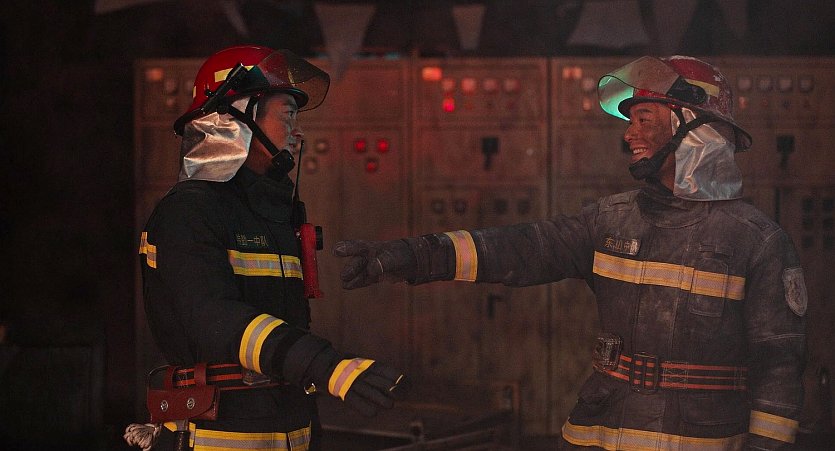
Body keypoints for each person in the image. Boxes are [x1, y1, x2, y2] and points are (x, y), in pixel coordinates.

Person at [333, 56, 806, 450]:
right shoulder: (611, 220)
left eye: (644, 119)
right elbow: (523, 248)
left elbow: (779, 366)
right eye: (631, 121)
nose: (630, 134)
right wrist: (412, 256)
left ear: (694, 127)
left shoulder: (757, 241)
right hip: (597, 432)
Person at [132, 45, 406, 451]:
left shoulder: (271, 214)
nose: (298, 132)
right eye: (287, 115)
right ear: (236, 117)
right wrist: (323, 364)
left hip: (289, 426)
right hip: (214, 435)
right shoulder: (188, 212)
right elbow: (213, 319)